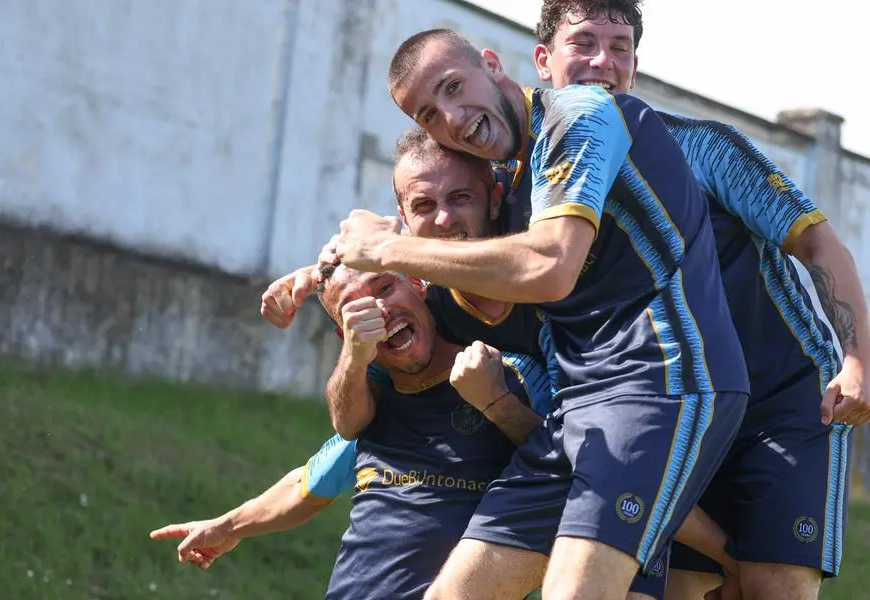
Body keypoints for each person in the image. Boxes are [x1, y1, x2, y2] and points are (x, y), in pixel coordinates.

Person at [322, 28, 751, 600]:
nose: (451, 117)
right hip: (578, 410)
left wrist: (386, 249)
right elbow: (444, 216)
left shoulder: (577, 114)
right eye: (429, 115)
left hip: (661, 380)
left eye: (454, 86)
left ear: (493, 64)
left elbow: (547, 267)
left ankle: (737, 559)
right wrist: (313, 276)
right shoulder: (513, 178)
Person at [530, 2, 870, 599]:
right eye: (583, 42)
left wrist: (860, 358)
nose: (603, 62)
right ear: (543, 60)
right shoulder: (541, 184)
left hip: (782, 404)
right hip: (672, 403)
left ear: (635, 64)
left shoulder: (702, 147)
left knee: (773, 587)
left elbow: (820, 243)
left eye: (620, 46)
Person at [155, 260, 554, 598]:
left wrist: (495, 402)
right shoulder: (371, 401)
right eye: (353, 309)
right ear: (344, 336)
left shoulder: (509, 372)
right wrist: (225, 527)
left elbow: (564, 465)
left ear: (420, 285)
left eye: (385, 287)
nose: (377, 309)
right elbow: (308, 484)